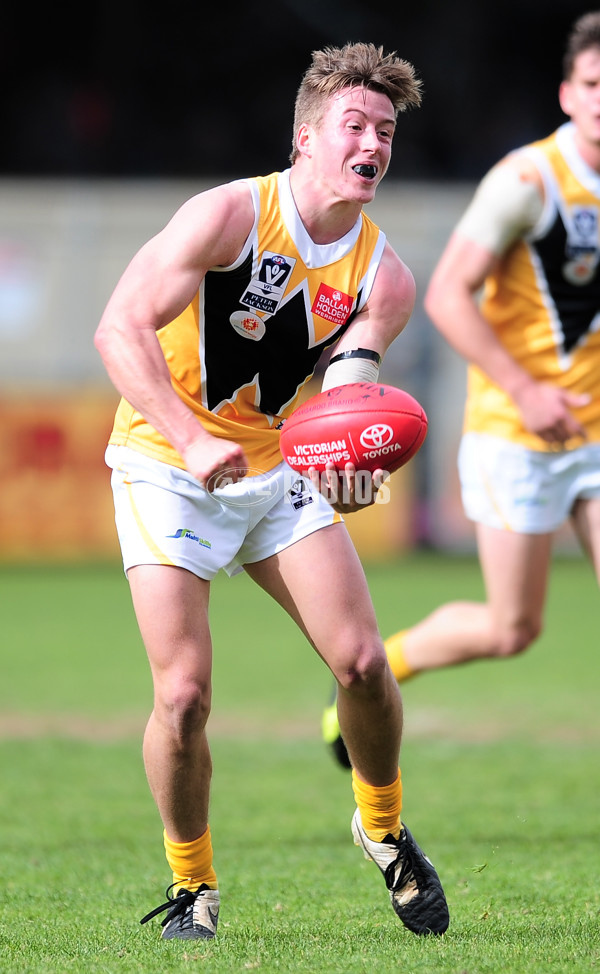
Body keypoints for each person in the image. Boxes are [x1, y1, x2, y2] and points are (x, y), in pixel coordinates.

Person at [94, 42, 449, 941]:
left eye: (386, 132)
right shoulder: (227, 216)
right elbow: (119, 327)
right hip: (163, 464)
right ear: (306, 138)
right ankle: (192, 886)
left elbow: (347, 400)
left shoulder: (385, 277)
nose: (372, 144)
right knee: (183, 697)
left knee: (364, 663)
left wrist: (352, 464)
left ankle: (382, 828)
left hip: (272, 468)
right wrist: (187, 435)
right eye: (354, 126)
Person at [323, 12, 600, 770]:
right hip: (520, 430)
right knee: (512, 629)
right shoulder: (527, 181)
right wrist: (527, 388)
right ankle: (381, 671)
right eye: (593, 84)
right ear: (567, 94)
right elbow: (447, 294)